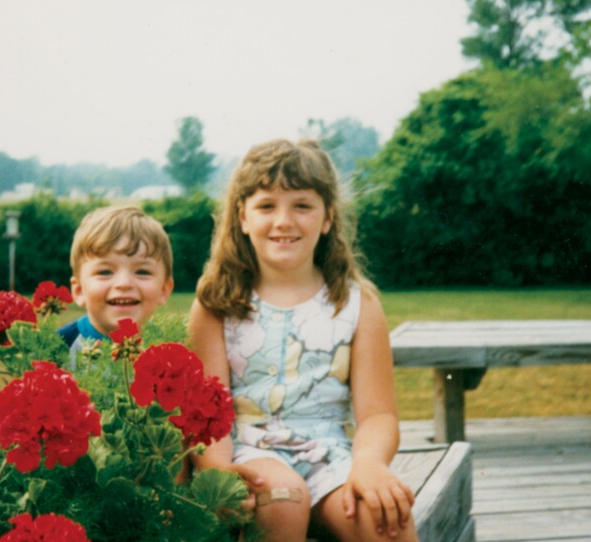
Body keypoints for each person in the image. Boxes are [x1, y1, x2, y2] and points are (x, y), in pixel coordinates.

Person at [187, 139, 417, 541]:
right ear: (242, 217)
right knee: (284, 498)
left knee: (386, 519)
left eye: (302, 205)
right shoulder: (216, 304)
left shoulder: (357, 303)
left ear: (328, 218)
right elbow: (209, 415)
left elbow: (379, 415)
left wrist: (369, 464)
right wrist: (217, 473)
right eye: (266, 206)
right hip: (249, 449)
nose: (284, 221)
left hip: (332, 456)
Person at [58, 206, 175, 360]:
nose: (124, 283)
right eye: (105, 272)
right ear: (79, 291)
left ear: (163, 290)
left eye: (142, 272)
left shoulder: (170, 350)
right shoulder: (58, 347)